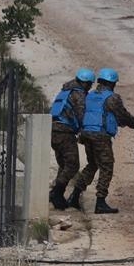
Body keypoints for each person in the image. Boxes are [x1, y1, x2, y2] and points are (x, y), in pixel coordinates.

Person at [66, 68, 134, 214]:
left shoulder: (90, 95)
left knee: (92, 164)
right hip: (100, 136)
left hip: (86, 134)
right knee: (106, 166)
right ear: (112, 84)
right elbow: (124, 117)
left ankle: (74, 196)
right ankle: (100, 202)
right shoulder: (112, 98)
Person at [48, 68, 94, 210]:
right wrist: (86, 131)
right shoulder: (78, 94)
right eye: (90, 85)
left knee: (64, 165)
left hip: (53, 130)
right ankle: (57, 193)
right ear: (86, 83)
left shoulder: (65, 91)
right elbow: (81, 115)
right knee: (73, 165)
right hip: (65, 132)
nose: (90, 87)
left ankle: (56, 194)